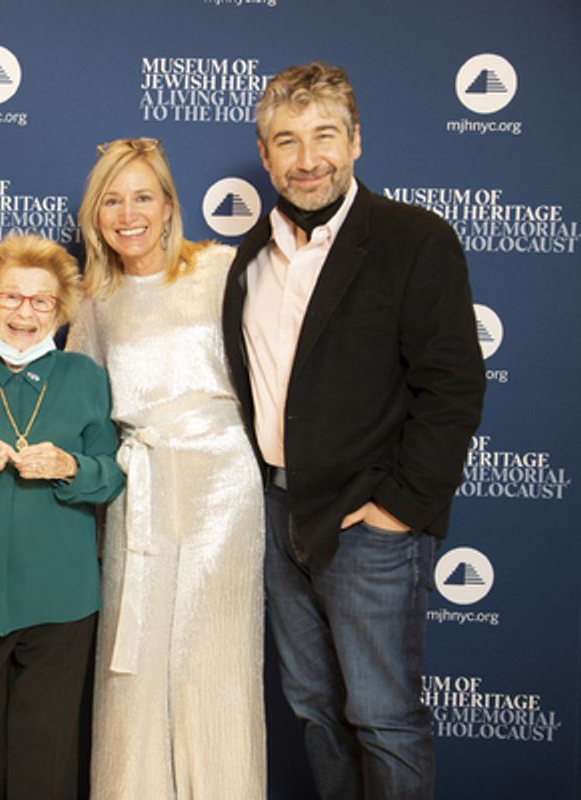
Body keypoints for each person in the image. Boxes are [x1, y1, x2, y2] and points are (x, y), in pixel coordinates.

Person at [222, 62, 486, 799]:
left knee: (383, 718)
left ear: (357, 141)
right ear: (265, 153)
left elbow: (454, 386)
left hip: (368, 521)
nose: (308, 160)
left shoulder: (412, 239)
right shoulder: (249, 258)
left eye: (325, 137)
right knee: (314, 710)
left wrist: (402, 507)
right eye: (288, 141)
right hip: (278, 516)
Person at [67, 138, 265, 798]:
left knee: (214, 655)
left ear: (170, 204)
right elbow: (79, 401)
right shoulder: (94, 298)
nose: (128, 214)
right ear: (94, 215)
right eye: (112, 200)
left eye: (143, 197)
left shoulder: (222, 269)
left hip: (224, 487)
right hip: (137, 490)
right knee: (137, 656)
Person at [0, 234, 124, 800]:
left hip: (60, 598)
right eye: (10, 298)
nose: (24, 313)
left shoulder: (85, 377)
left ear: (61, 312)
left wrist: (69, 466)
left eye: (41, 301)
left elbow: (109, 477)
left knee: (47, 753)